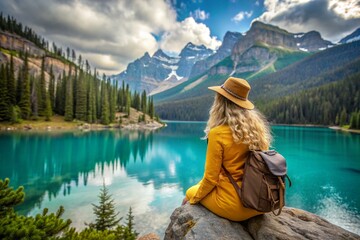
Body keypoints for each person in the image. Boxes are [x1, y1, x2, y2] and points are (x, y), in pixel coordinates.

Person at [183, 77, 272, 221]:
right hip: (258, 203)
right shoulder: (257, 130)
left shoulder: (217, 133)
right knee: (197, 188)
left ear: (220, 102)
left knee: (189, 192)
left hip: (235, 206)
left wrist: (193, 200)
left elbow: (211, 179)